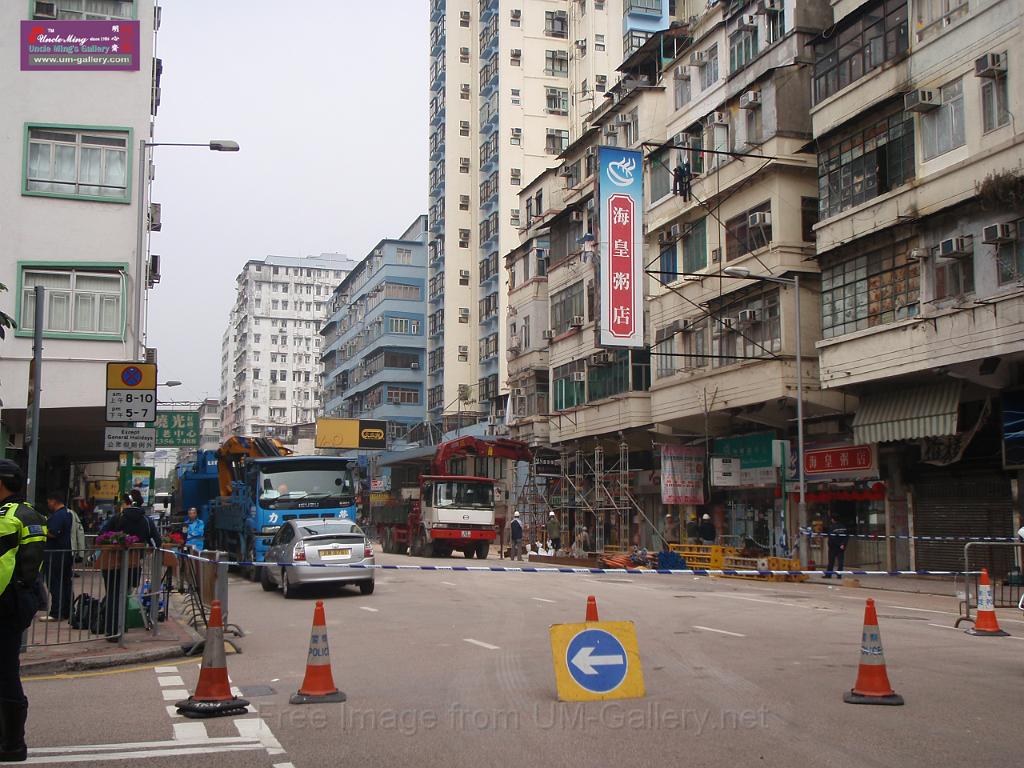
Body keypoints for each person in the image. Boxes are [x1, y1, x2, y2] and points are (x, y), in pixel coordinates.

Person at [0, 459, 47, 762]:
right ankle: (11, 741)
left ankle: (11, 744)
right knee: (6, 671)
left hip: (5, 603)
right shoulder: (30, 513)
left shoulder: (6, 517)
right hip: (21, 600)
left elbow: (2, 567)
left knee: (4, 674)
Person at [100, 490, 159, 641]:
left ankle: (112, 632)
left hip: (113, 564)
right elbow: (157, 542)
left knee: (112, 595)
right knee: (124, 594)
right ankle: (122, 626)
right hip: (133, 565)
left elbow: (101, 534)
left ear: (127, 503)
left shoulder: (118, 518)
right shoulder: (146, 521)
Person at [42, 492, 73, 622]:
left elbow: (53, 533)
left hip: (54, 554)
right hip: (65, 553)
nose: (48, 504)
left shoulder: (58, 516)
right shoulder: (68, 513)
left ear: (54, 501)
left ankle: (56, 612)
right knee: (65, 583)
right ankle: (67, 611)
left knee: (55, 583)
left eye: (49, 501)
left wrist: (41, 530)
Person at [823, 515, 849, 579]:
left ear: (833, 519)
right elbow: (846, 536)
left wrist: (837, 544)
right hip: (841, 547)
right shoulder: (843, 527)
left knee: (831, 562)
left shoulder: (832, 527)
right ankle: (839, 575)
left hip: (833, 547)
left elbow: (832, 537)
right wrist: (843, 544)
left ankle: (828, 575)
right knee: (840, 562)